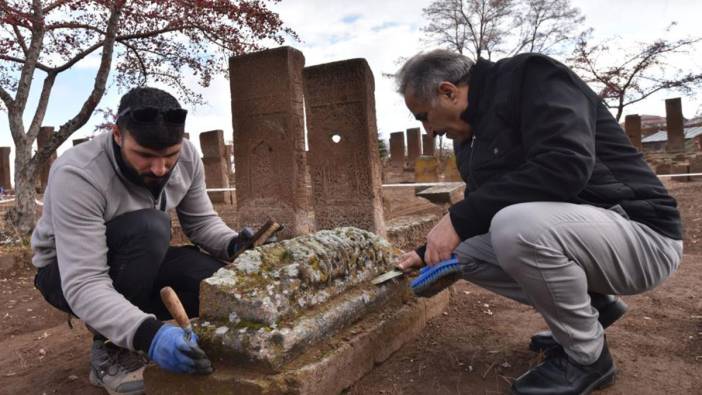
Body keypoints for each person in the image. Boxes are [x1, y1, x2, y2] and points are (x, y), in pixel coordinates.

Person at [394, 50, 683, 394]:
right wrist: (428, 251)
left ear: (448, 92)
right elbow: (482, 207)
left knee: (515, 227)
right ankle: (591, 307)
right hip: (584, 238)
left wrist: (457, 218)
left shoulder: (533, 76)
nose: (428, 130)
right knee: (461, 254)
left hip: (642, 235)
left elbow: (565, 165)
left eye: (423, 116)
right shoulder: (469, 137)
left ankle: (588, 360)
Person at [31, 87, 256, 395]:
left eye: (169, 157)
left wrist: (234, 246)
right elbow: (84, 281)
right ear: (117, 135)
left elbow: (201, 222)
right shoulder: (78, 173)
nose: (159, 169)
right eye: (145, 156)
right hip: (65, 271)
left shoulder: (188, 156)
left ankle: (131, 324)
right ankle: (109, 349)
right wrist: (149, 335)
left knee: (214, 281)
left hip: (140, 257)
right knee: (150, 227)